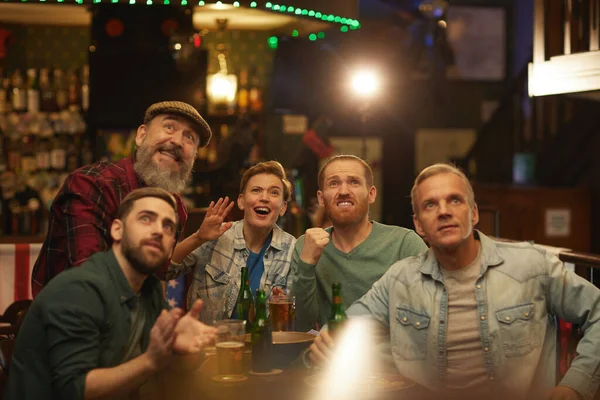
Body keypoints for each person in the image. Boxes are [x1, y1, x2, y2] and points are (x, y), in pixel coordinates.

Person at [309, 163, 600, 400]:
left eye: (455, 200)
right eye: (430, 205)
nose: (444, 211)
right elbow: (346, 328)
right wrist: (329, 337)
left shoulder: (531, 265)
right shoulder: (400, 280)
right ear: (419, 225)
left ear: (473, 214)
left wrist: (575, 385)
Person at [6, 187, 218, 400]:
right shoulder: (79, 289)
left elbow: (174, 366)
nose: (159, 231)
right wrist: (150, 361)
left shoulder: (149, 289)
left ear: (172, 245)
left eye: (168, 226)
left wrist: (184, 349)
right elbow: (74, 390)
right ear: (117, 230)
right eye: (146, 219)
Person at [32, 101, 212, 297]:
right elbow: (89, 278)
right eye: (169, 127)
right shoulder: (93, 183)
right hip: (71, 319)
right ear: (141, 135)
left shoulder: (176, 209)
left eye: (190, 137)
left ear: (193, 156)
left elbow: (155, 279)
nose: (177, 141)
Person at [291, 154, 427, 331]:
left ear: (371, 194)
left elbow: (429, 311)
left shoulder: (404, 243)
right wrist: (307, 264)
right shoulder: (306, 246)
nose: (344, 191)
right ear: (321, 198)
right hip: (331, 353)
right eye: (334, 183)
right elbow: (301, 325)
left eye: (354, 182)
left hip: (390, 354)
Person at [167, 160, 296, 323]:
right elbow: (166, 270)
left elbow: (299, 317)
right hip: (209, 344)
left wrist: (286, 306)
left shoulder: (292, 248)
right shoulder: (217, 235)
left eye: (274, 193)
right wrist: (198, 237)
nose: (264, 198)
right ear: (241, 201)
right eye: (256, 190)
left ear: (283, 207)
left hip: (264, 345)